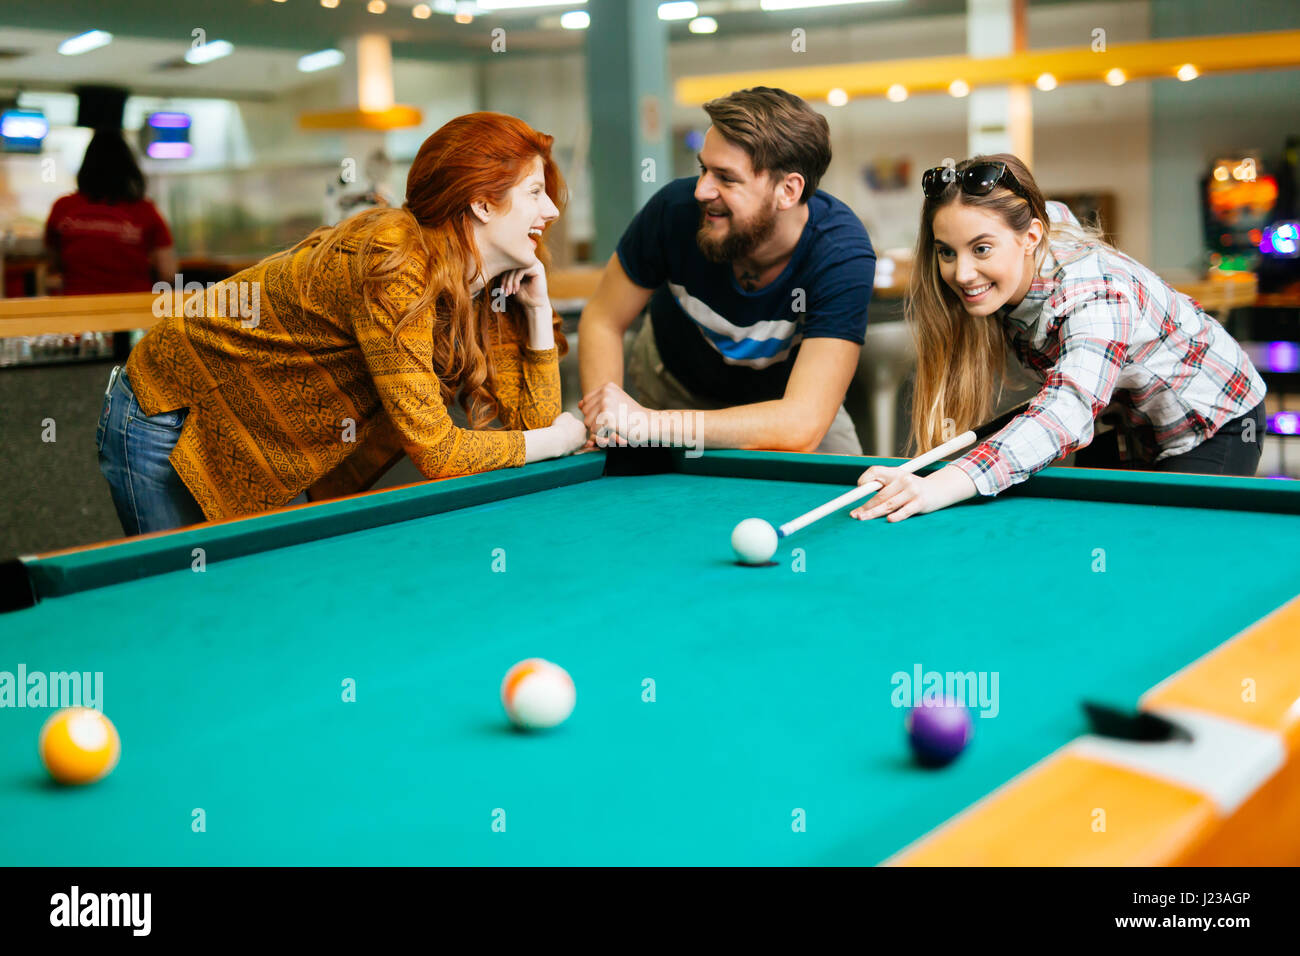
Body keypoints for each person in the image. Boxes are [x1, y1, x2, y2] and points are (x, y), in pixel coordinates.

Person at [97, 112, 586, 536]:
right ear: (482, 203)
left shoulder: (488, 282)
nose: (553, 209)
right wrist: (563, 437)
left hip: (257, 427)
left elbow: (536, 427)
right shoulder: (395, 262)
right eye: (536, 192)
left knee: (232, 597)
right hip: (169, 409)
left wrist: (539, 312)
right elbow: (443, 452)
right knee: (185, 596)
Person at [852, 154, 1266, 524]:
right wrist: (921, 475)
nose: (961, 274)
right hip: (1125, 420)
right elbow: (1055, 212)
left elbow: (1067, 411)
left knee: (1166, 549)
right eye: (947, 252)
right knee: (1087, 529)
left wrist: (940, 485)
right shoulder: (1029, 229)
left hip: (1212, 418)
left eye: (981, 249)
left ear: (1031, 238)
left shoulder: (1095, 294)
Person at [577, 87, 875, 455]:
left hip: (785, 405)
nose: (702, 190)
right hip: (675, 387)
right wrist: (606, 421)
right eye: (704, 169)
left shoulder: (841, 253)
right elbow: (604, 318)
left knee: (851, 496)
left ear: (788, 190)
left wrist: (645, 423)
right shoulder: (672, 212)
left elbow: (801, 426)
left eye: (726, 178)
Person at [44, 129, 178, 360]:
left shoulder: (64, 208)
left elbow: (51, 264)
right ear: (130, 169)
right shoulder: (144, 211)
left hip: (78, 325)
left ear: (85, 168)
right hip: (138, 324)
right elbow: (168, 271)